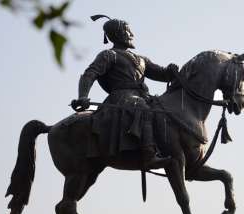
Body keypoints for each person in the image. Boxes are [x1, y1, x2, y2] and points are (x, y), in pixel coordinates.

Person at [71, 15, 178, 170]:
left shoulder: (141, 59)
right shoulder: (108, 55)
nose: (132, 35)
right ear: (118, 34)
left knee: (162, 110)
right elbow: (90, 74)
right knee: (144, 109)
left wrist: (170, 71)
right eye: (128, 31)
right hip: (121, 97)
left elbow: (160, 74)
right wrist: (83, 96)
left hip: (141, 96)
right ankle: (149, 155)